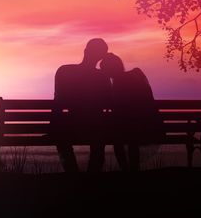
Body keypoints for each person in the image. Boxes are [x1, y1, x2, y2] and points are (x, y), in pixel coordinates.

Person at [54, 38, 112, 173]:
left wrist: (53, 126)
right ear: (101, 57)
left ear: (85, 51)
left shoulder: (64, 71)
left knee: (61, 138)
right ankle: (92, 176)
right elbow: (109, 103)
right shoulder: (103, 77)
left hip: (71, 127)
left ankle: (73, 173)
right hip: (96, 127)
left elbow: (58, 103)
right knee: (99, 136)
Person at [100, 53, 160, 171]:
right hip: (148, 125)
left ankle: (126, 170)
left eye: (104, 70)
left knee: (118, 140)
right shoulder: (135, 75)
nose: (104, 73)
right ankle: (133, 170)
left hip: (133, 128)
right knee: (130, 137)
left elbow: (119, 109)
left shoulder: (118, 83)